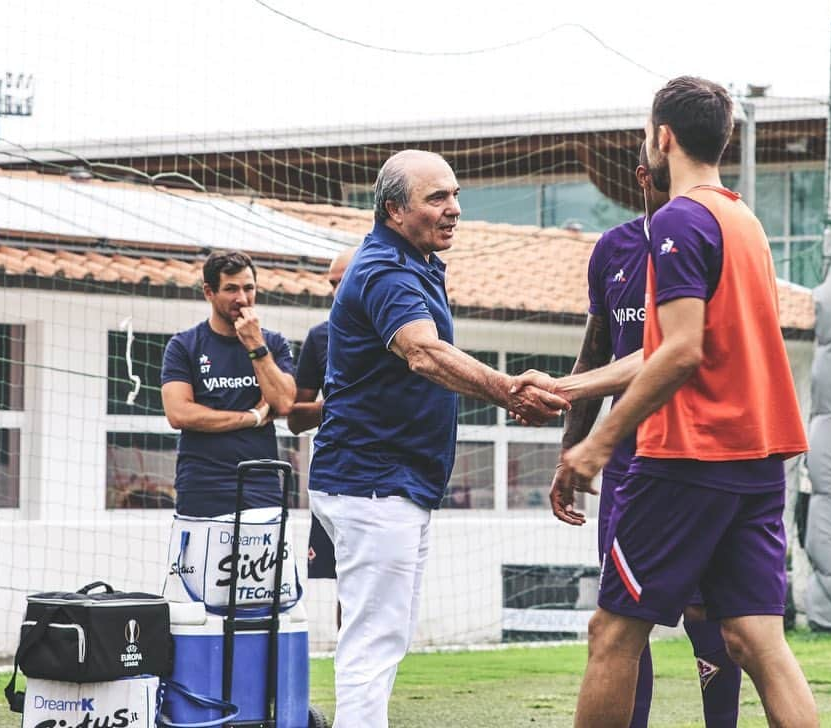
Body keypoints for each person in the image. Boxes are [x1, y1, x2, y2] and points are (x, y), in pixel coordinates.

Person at [540, 77, 817, 728]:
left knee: (612, 633)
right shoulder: (741, 219)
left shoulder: (678, 219)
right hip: (756, 463)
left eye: (646, 131)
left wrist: (598, 444)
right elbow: (693, 344)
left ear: (661, 138)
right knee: (757, 642)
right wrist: (576, 393)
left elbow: (681, 350)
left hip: (689, 457)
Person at [308, 149, 569, 728]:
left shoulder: (414, 261)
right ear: (395, 209)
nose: (455, 209)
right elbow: (424, 353)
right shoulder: (385, 270)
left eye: (455, 195)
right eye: (437, 198)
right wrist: (509, 390)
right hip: (372, 487)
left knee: (382, 635)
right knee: (373, 643)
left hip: (388, 486)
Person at [549, 143, 741, 728]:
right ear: (645, 177)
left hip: (701, 460)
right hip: (630, 468)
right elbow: (596, 353)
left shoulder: (719, 235)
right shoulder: (614, 250)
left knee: (710, 615)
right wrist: (571, 450)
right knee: (623, 621)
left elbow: (684, 351)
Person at [161, 250, 297, 517]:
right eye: (231, 289)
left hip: (260, 486)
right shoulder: (183, 345)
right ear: (209, 292)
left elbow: (283, 402)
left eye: (249, 288)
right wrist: (252, 417)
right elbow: (179, 414)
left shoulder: (274, 343)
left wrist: (255, 345)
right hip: (201, 488)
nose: (242, 298)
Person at [287, 246, 356, 626]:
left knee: (380, 590)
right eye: (332, 284)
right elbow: (295, 419)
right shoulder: (321, 338)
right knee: (348, 583)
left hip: (392, 480)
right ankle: (349, 680)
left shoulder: (402, 329)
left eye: (343, 281)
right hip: (336, 477)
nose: (336, 291)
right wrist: (343, 405)